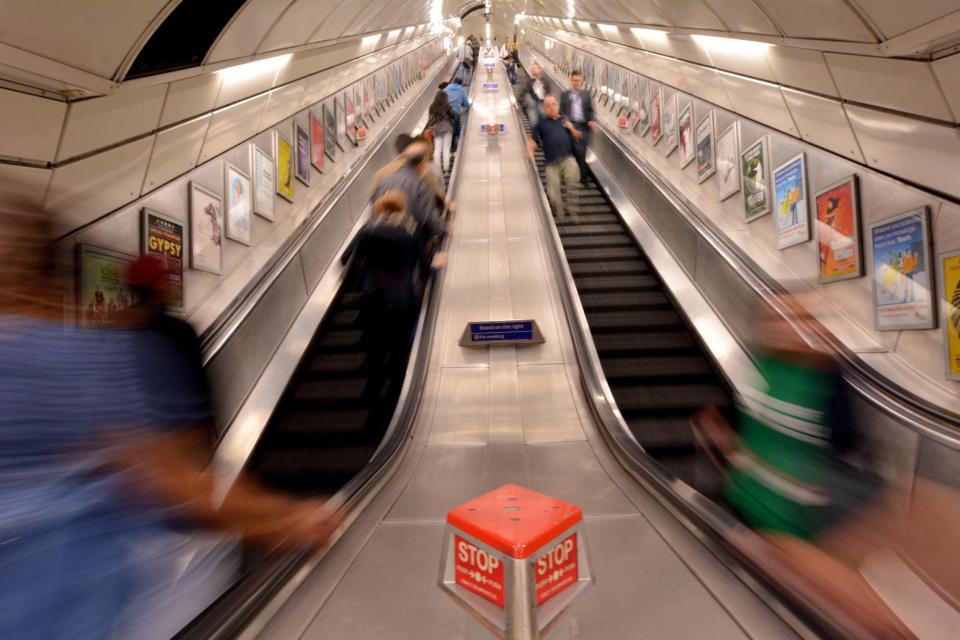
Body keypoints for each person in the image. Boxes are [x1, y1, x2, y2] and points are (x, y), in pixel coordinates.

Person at [0, 209, 340, 639]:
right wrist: (287, 516)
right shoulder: (81, 355)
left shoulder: (96, 341)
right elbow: (173, 486)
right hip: (85, 611)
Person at [692, 294, 960, 637]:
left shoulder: (823, 373)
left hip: (802, 508)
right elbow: (745, 414)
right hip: (755, 497)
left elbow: (845, 439)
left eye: (804, 320)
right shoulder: (763, 367)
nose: (795, 328)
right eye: (784, 319)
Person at [341, 190, 445, 403]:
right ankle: (396, 401)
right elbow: (425, 269)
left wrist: (366, 263)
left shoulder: (369, 230)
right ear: (402, 207)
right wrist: (437, 265)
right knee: (399, 352)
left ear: (379, 207)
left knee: (374, 351)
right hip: (403, 300)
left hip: (372, 298)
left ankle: (372, 399)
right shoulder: (411, 231)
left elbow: (345, 259)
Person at [370, 143, 447, 247]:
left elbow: (374, 208)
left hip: (381, 241)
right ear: (421, 165)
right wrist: (443, 229)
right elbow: (429, 218)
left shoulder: (383, 181)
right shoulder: (421, 186)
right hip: (410, 244)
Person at [527, 95, 581, 217]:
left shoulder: (565, 120)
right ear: (544, 109)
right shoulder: (541, 123)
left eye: (553, 104)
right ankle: (559, 211)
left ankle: (572, 209)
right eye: (548, 106)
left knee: (573, 179)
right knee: (553, 191)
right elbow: (533, 140)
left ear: (557, 105)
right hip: (551, 162)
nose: (551, 108)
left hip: (568, 158)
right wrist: (530, 149)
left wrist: (572, 129)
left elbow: (578, 136)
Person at [560, 69, 599, 184]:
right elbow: (562, 111)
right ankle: (574, 174)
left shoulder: (587, 94)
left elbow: (591, 111)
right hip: (570, 125)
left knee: (581, 150)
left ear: (581, 80)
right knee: (571, 151)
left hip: (583, 126)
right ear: (571, 80)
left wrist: (591, 121)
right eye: (574, 80)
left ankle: (583, 175)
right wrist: (566, 122)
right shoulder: (565, 95)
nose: (576, 82)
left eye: (578, 80)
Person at [426, 89, 456, 177]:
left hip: (436, 130)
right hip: (447, 129)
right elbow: (453, 116)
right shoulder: (447, 106)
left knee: (437, 150)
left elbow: (430, 120)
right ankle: (446, 170)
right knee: (446, 150)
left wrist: (430, 128)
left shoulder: (432, 107)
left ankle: (438, 171)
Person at [443, 77, 471, 153]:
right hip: (455, 113)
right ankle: (455, 148)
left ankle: (447, 148)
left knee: (447, 131)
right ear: (460, 84)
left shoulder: (445, 89)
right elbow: (465, 103)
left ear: (453, 82)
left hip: (445, 113)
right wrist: (468, 106)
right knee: (456, 131)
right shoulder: (461, 90)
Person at [522, 61, 553, 127]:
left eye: (535, 68)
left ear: (540, 70)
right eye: (532, 69)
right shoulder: (529, 81)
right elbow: (524, 94)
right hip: (533, 106)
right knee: (534, 122)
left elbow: (548, 94)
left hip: (542, 105)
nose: (533, 70)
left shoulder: (545, 81)